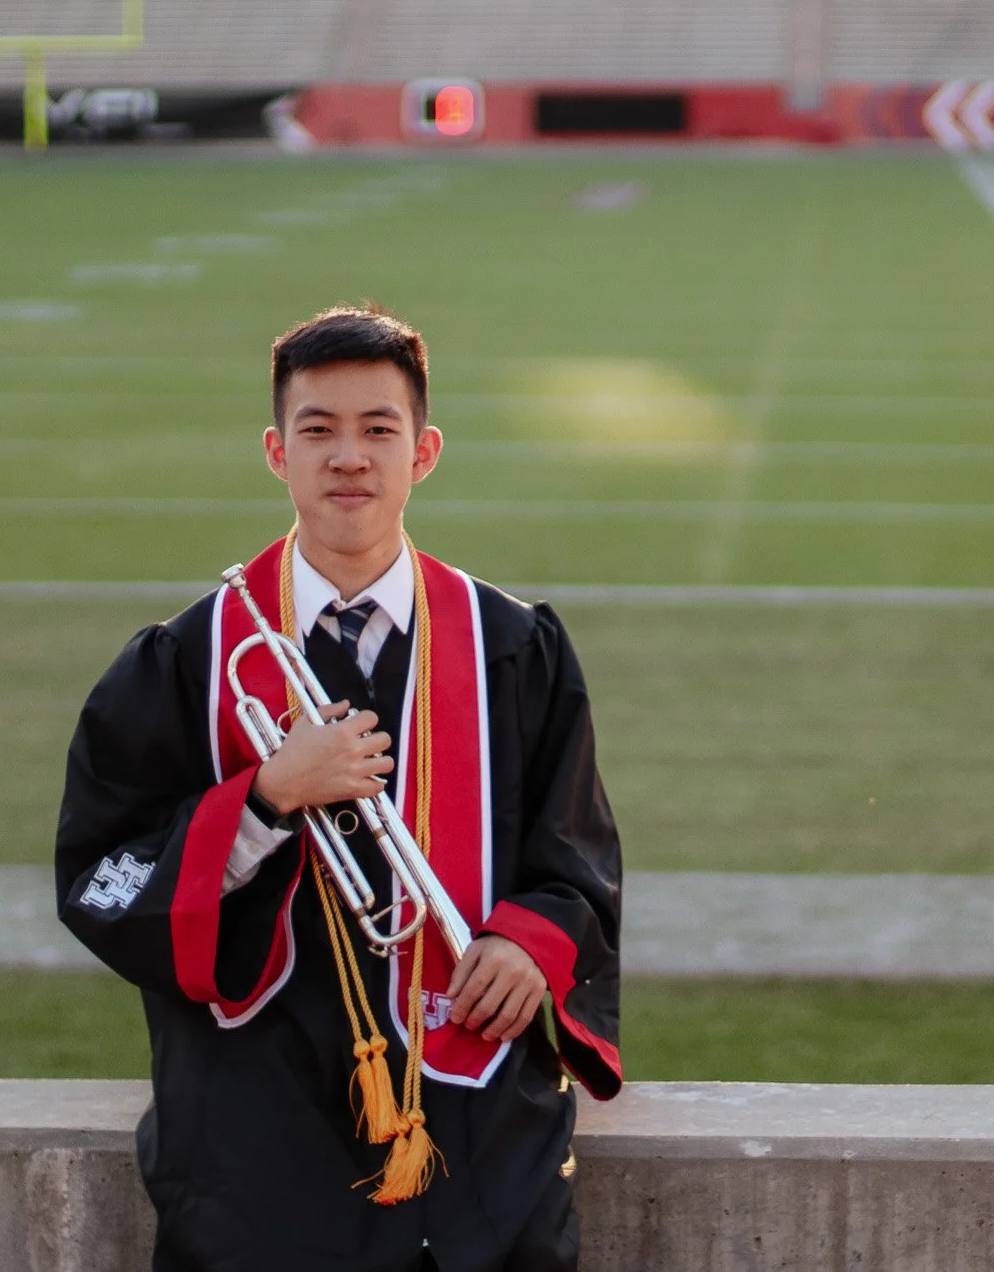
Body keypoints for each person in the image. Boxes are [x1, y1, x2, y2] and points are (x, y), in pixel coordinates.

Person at [55, 306, 622, 1272]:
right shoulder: (188, 661)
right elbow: (100, 874)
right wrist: (263, 801)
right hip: (255, 1145)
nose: (348, 457)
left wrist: (531, 946)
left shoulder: (512, 648)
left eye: (378, 429)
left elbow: (575, 861)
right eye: (318, 430)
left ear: (425, 451)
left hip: (474, 1130)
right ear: (277, 453)